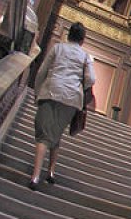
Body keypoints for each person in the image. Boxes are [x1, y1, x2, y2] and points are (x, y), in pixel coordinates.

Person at [30, 22, 95, 189]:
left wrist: (37, 92)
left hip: (52, 91)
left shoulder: (58, 48)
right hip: (71, 98)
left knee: (44, 134)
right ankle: (51, 171)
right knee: (56, 132)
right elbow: (91, 79)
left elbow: (42, 71)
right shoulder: (85, 56)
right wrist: (79, 86)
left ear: (68, 35)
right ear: (82, 40)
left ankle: (35, 176)